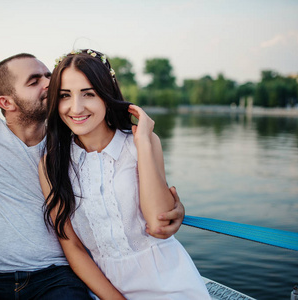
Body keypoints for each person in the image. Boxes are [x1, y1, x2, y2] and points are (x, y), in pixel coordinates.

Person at [0, 53, 185, 299]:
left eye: (49, 75)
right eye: (35, 81)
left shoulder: (70, 143)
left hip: (57, 276)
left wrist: (173, 209)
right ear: (7, 102)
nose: (50, 83)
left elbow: (115, 175)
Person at [39, 49, 210, 300]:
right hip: (103, 285)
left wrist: (143, 143)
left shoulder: (142, 142)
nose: (76, 107)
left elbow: (158, 223)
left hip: (168, 278)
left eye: (88, 94)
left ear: (106, 97)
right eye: (65, 96)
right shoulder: (51, 163)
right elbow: (72, 247)